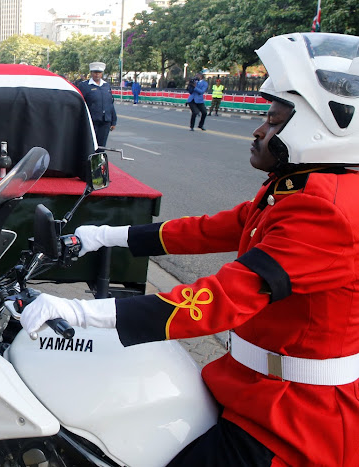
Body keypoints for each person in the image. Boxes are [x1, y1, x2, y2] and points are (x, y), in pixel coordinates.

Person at [22, 32, 359, 467]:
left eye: (274, 121)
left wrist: (82, 313)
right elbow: (207, 230)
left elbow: (224, 299)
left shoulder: (327, 212)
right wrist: (104, 235)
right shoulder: (300, 190)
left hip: (294, 417)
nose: (260, 129)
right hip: (247, 384)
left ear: (319, 129)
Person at [76, 62, 117, 147]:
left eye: (99, 72)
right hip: (91, 121)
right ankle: (89, 160)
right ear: (91, 73)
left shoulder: (106, 86)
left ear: (102, 73)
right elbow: (80, 103)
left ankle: (99, 160)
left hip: (105, 121)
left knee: (101, 146)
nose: (97, 74)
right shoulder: (84, 86)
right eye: (95, 72)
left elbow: (110, 104)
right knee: (90, 145)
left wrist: (113, 121)